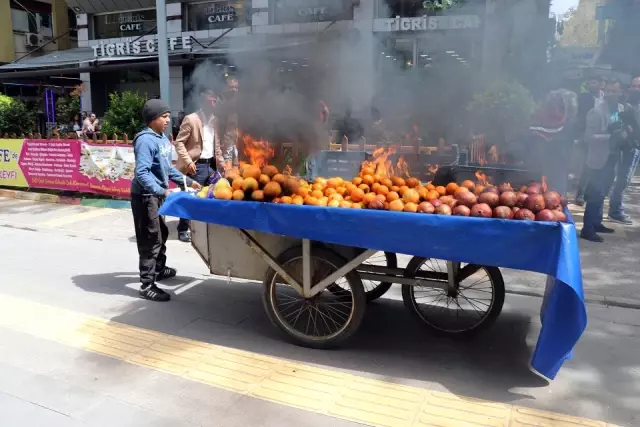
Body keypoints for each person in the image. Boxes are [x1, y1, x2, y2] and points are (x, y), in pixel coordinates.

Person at [131, 99, 201, 301]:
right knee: (150, 239)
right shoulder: (145, 140)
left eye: (169, 116)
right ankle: (147, 284)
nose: (168, 120)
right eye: (164, 116)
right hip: (144, 196)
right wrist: (161, 191)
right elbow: (142, 173)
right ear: (153, 118)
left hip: (155, 195)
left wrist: (187, 181)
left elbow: (168, 169)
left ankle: (159, 269)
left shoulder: (162, 138)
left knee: (161, 232)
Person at [173, 85, 235, 243]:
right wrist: (187, 161)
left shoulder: (216, 121)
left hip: (211, 166)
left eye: (215, 101)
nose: (214, 104)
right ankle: (183, 229)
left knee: (213, 195)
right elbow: (179, 142)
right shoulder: (191, 119)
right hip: (196, 166)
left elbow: (217, 147)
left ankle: (207, 226)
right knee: (190, 197)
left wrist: (223, 165)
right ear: (203, 102)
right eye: (211, 101)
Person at [581, 80, 628, 242]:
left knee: (604, 192)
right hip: (598, 159)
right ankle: (587, 229)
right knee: (595, 193)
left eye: (614, 91)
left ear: (620, 92)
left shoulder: (621, 109)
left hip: (614, 158)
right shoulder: (596, 111)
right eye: (607, 91)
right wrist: (611, 137)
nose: (610, 94)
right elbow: (588, 138)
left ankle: (597, 223)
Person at [525, 89, 578, 195]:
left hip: (556, 165)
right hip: (541, 165)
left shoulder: (568, 123)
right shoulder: (540, 118)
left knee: (557, 196)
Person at [608, 76, 640, 224]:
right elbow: (615, 122)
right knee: (623, 179)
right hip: (628, 146)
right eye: (633, 86)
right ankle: (615, 211)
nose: (635, 89)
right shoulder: (624, 105)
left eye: (638, 86)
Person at [575, 77, 605, 205]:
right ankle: (580, 194)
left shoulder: (607, 98)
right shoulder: (584, 98)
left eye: (594, 82)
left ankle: (591, 193)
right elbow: (579, 116)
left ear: (601, 83)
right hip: (588, 136)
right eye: (589, 82)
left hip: (604, 138)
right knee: (587, 166)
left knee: (600, 167)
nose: (591, 85)